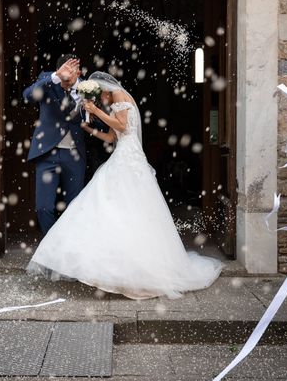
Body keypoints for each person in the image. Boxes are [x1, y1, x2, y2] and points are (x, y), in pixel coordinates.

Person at [26, 72, 222, 299]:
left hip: (129, 159)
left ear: (104, 90)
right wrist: (90, 129)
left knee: (119, 207)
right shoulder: (114, 100)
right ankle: (114, 266)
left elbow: (122, 125)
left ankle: (133, 270)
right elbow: (111, 137)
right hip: (121, 156)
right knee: (114, 207)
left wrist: (95, 111)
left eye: (101, 98)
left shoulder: (119, 95)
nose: (103, 103)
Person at [22, 55, 88, 235]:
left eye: (74, 71)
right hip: (47, 154)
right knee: (44, 208)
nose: (70, 75)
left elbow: (97, 122)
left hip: (74, 156)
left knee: (74, 208)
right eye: (65, 71)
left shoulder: (88, 87)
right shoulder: (47, 80)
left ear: (79, 72)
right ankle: (51, 251)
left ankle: (69, 250)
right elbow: (27, 96)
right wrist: (55, 77)